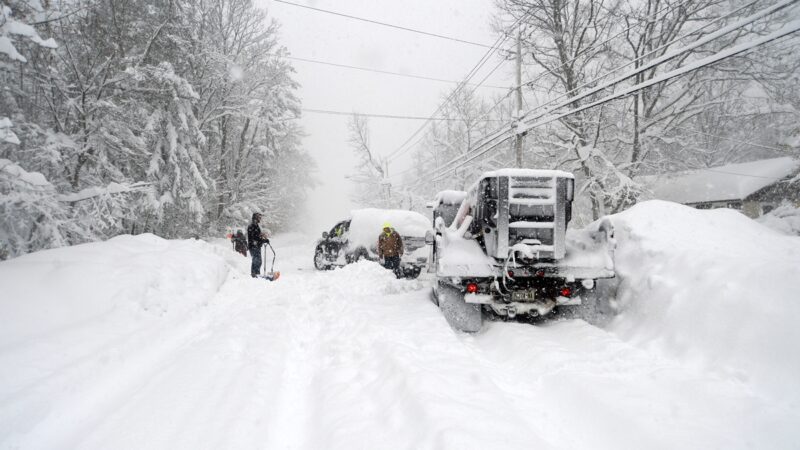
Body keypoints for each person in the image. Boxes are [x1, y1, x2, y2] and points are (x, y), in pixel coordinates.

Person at [247, 213, 270, 277]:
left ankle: (257, 274)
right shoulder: (252, 226)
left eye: (260, 217)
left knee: (259, 261)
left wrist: (264, 239)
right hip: (253, 246)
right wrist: (262, 240)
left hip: (257, 246)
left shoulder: (256, 226)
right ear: (255, 218)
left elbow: (258, 236)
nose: (260, 219)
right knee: (256, 261)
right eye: (259, 217)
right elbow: (254, 237)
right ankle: (254, 275)